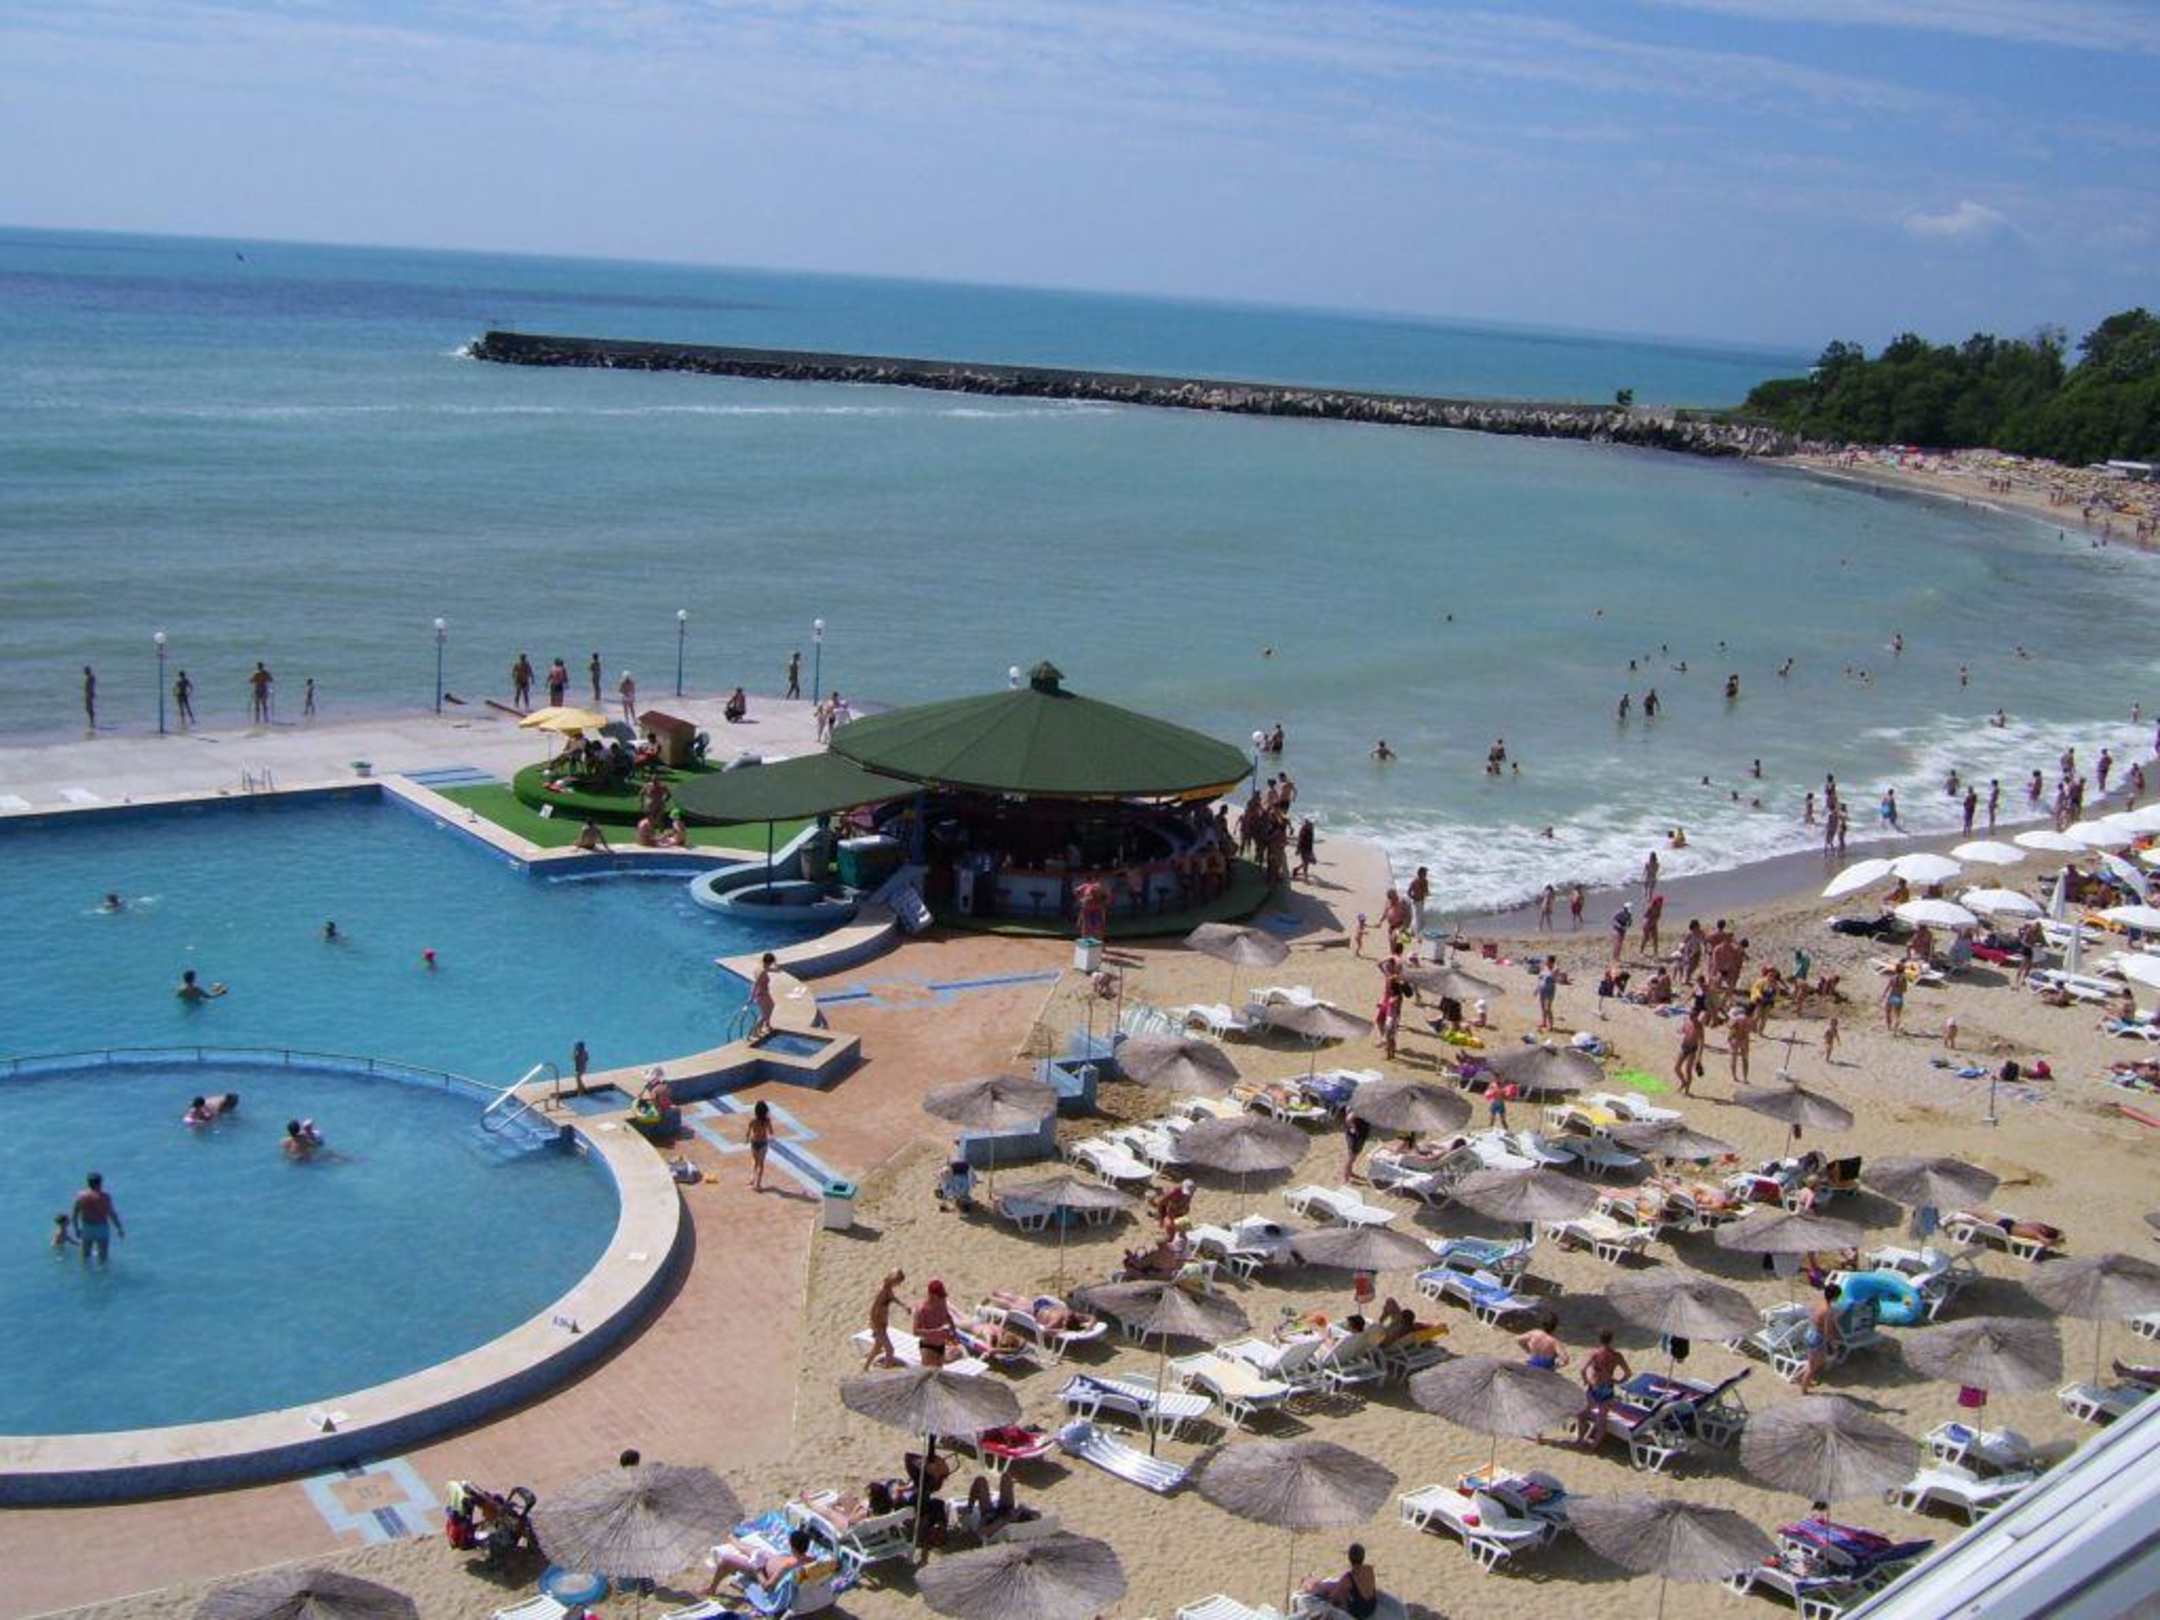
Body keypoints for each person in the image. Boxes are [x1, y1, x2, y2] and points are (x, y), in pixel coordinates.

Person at [706, 1526, 814, 1597]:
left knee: (726, 1560)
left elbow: (767, 1587)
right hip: (769, 1559)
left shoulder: (786, 1566)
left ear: (792, 1546)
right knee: (754, 1550)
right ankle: (733, 1540)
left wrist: (758, 1570)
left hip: (761, 1569)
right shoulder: (811, 1560)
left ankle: (712, 1589)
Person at [1576, 1329, 1631, 1445]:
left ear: (1599, 1340)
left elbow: (1582, 1370)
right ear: (1611, 1340)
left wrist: (1586, 1381)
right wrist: (1618, 1381)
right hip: (1608, 1388)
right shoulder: (1617, 1356)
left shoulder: (1595, 1354)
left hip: (1595, 1387)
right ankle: (1594, 1445)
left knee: (1581, 1414)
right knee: (1601, 1418)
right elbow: (1628, 1373)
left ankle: (1580, 1440)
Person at [1301, 1544, 1379, 1620]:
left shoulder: (1349, 1577)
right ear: (1363, 1556)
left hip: (1360, 1612)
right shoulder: (1369, 1569)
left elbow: (1334, 1596)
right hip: (1372, 1606)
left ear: (1349, 1558)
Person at [71, 1171, 124, 1263]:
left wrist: (76, 1229)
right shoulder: (105, 1197)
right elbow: (111, 1214)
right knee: (103, 1258)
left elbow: (74, 1214)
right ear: (100, 1183)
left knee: (85, 1257)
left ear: (88, 1183)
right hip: (101, 1227)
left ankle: (85, 1272)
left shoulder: (80, 1196)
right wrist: (119, 1228)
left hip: (87, 1227)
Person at [1801, 1283, 1841, 1393]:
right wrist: (1833, 1344)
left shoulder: (1820, 1303)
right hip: (1817, 1338)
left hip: (1810, 1333)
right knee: (1813, 1366)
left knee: (1815, 1362)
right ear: (1834, 1297)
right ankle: (1804, 1389)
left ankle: (1804, 1380)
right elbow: (1828, 1331)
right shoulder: (1828, 1311)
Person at [864, 1268, 906, 1369]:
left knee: (877, 1347)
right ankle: (886, 1371)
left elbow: (892, 1298)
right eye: (898, 1282)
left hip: (882, 1324)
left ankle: (865, 1367)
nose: (898, 1285)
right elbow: (874, 1309)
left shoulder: (888, 1289)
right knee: (890, 1350)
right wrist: (875, 1325)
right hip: (878, 1324)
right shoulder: (882, 1291)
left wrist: (903, 1306)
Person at [913, 1278, 958, 1365]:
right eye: (939, 1296)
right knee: (928, 1371)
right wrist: (936, 1331)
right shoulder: (921, 1309)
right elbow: (916, 1331)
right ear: (931, 1295)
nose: (941, 1299)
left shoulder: (942, 1302)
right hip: (928, 1346)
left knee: (939, 1371)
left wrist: (953, 1332)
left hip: (941, 1345)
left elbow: (948, 1316)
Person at [750, 951, 778, 1040]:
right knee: (764, 1014)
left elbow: (774, 969)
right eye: (772, 962)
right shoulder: (762, 971)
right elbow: (755, 984)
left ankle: (766, 1025)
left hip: (764, 993)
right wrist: (751, 997)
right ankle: (753, 1032)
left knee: (772, 1006)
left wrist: (775, 966)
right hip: (761, 994)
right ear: (769, 962)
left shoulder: (761, 967)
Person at [747, 1099, 773, 1191]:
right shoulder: (767, 1121)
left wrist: (747, 1139)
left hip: (754, 1142)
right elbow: (771, 1132)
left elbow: (748, 1132)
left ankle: (752, 1178)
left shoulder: (753, 1121)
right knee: (761, 1164)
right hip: (763, 1143)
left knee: (755, 1161)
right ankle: (758, 1184)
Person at [82, 665, 96, 731]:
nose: (84, 672)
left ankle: (92, 722)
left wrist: (88, 694)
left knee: (88, 708)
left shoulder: (89, 678)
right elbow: (91, 686)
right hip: (90, 694)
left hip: (88, 695)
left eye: (85, 671)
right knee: (89, 708)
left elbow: (88, 687)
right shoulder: (91, 677)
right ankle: (92, 722)